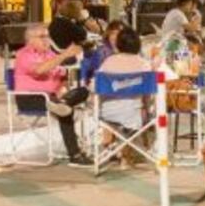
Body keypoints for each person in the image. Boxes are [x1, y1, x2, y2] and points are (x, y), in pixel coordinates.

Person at [13, 24, 92, 167]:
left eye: (47, 36)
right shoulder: (23, 54)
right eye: (42, 37)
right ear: (30, 39)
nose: (46, 40)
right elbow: (40, 70)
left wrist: (63, 87)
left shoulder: (49, 54)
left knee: (83, 91)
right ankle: (75, 155)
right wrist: (64, 55)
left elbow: (61, 76)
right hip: (31, 98)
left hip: (53, 97)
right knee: (64, 112)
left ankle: (62, 103)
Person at [97, 28, 154, 162]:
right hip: (133, 115)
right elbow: (148, 94)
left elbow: (95, 87)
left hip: (107, 113)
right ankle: (129, 151)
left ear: (118, 44)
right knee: (149, 109)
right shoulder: (144, 64)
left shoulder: (108, 62)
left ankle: (115, 147)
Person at [84, 20, 124, 85]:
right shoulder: (101, 52)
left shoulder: (130, 51)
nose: (116, 37)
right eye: (113, 33)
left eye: (119, 34)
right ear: (108, 35)